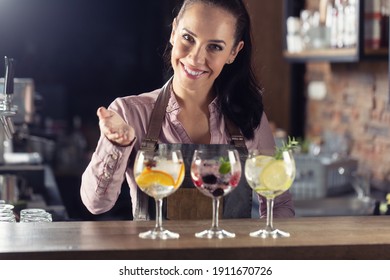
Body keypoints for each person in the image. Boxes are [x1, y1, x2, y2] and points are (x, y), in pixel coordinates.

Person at [80, 0, 295, 220]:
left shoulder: (250, 116)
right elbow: (96, 204)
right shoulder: (130, 113)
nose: (195, 58)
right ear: (174, 32)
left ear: (233, 52)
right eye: (188, 38)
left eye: (214, 47)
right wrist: (117, 144)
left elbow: (279, 204)